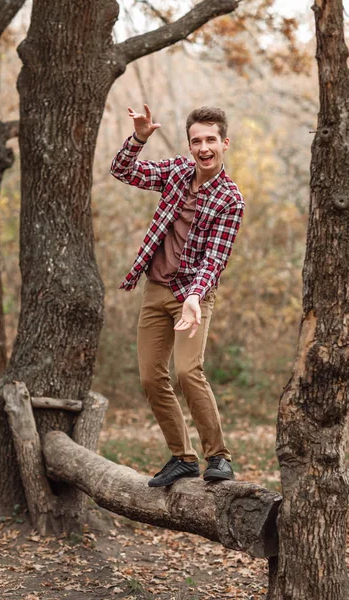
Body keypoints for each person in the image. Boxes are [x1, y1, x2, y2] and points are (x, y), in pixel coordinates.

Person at [110, 104, 245, 487]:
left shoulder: (230, 200)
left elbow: (215, 258)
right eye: (197, 141)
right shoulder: (176, 173)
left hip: (194, 295)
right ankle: (182, 457)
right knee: (151, 378)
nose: (204, 147)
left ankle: (218, 457)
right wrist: (138, 138)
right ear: (190, 145)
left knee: (188, 372)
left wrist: (195, 297)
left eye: (211, 140)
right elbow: (123, 170)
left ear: (224, 143)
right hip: (155, 290)